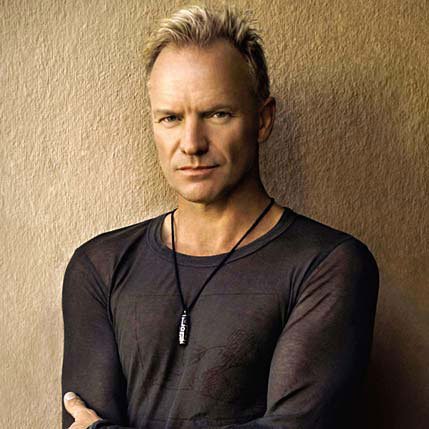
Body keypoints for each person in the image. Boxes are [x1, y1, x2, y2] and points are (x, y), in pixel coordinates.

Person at [61, 5, 379, 429]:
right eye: (171, 118)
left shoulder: (328, 265)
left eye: (217, 114)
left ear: (262, 120)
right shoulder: (100, 266)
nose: (192, 143)